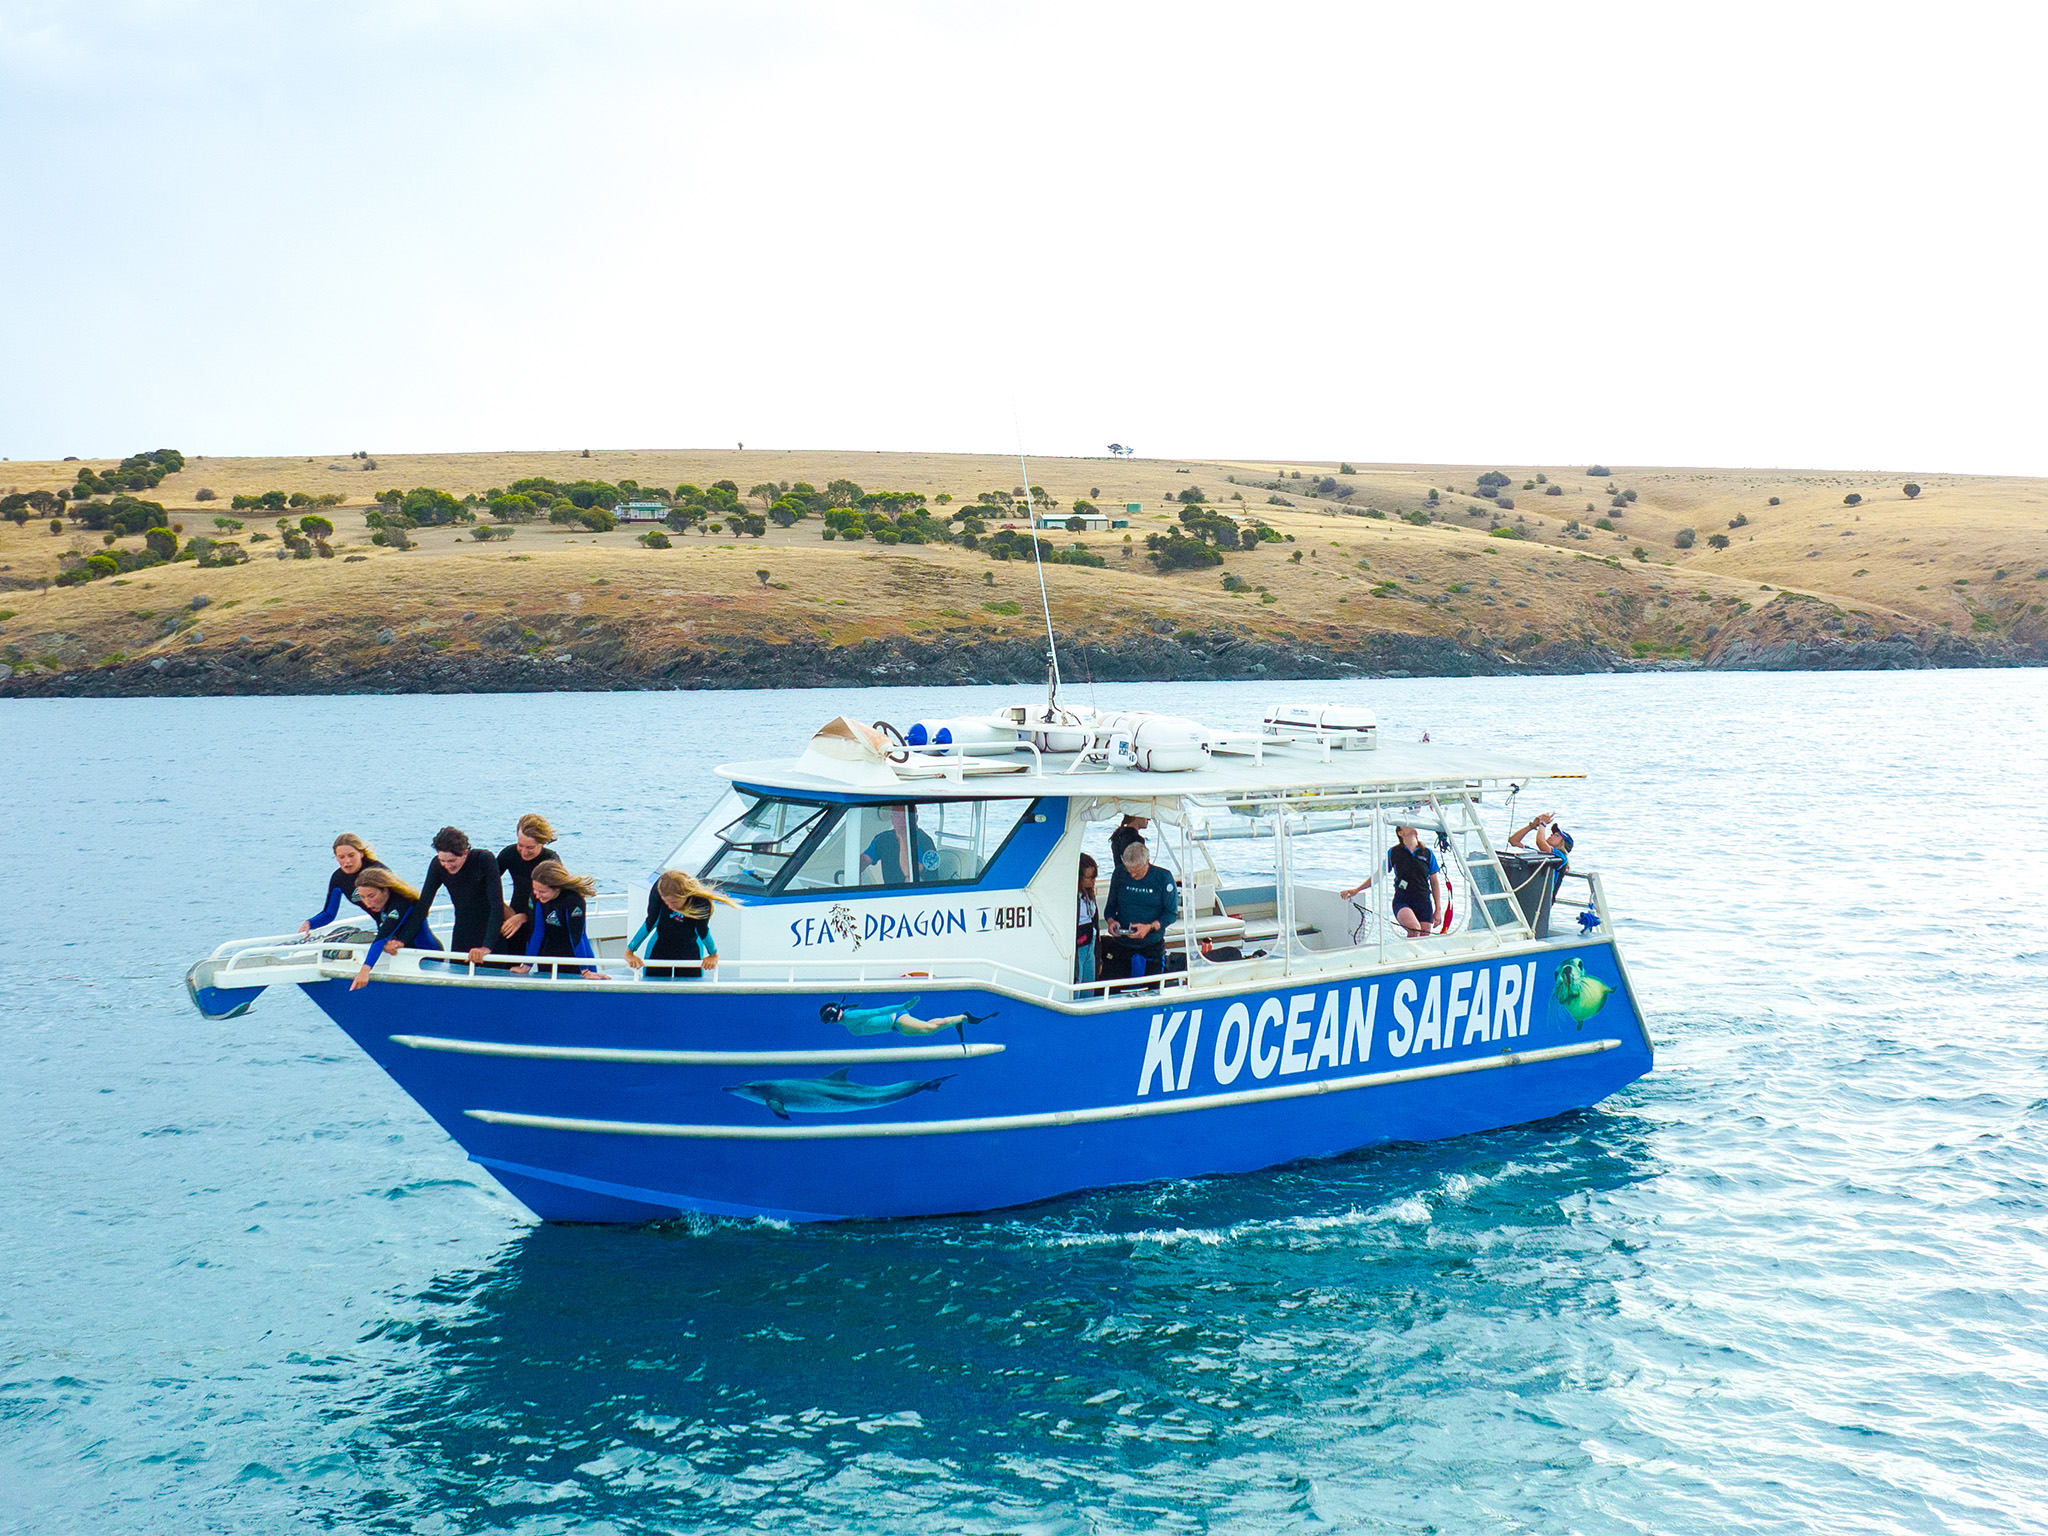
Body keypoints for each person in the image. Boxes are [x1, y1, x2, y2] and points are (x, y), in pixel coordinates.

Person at [397, 826, 504, 964]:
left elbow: (496, 905)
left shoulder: (483, 859)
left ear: (465, 853)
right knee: (458, 973)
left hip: (490, 930)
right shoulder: (437, 866)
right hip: (462, 929)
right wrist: (402, 940)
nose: (447, 866)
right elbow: (423, 906)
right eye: (443, 861)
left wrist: (487, 946)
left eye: (452, 861)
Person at [1341, 824, 1445, 937]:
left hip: (1423, 901)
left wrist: (1438, 909)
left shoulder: (1427, 853)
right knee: (1415, 929)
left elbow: (1435, 883)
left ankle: (1409, 954)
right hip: (1403, 899)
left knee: (1424, 937)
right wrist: (1357, 889)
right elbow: (1379, 875)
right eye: (1406, 825)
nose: (1412, 826)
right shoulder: (1394, 852)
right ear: (1401, 833)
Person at [348, 868, 440, 990]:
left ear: (385, 889)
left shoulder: (401, 903)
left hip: (429, 959)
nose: (367, 903)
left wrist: (365, 970)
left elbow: (383, 935)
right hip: (406, 959)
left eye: (371, 896)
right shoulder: (379, 903)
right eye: (362, 897)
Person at [626, 870, 728, 980]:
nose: (669, 906)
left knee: (689, 991)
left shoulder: (700, 902)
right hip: (660, 947)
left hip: (690, 949)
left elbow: (702, 931)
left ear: (686, 895)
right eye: (666, 902)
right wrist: (630, 951)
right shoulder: (659, 891)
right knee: (653, 988)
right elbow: (650, 922)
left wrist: (713, 954)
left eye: (675, 902)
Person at [514, 859, 604, 980]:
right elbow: (537, 931)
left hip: (574, 957)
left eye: (542, 891)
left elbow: (578, 936)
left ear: (557, 888)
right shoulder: (537, 898)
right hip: (548, 954)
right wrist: (526, 965)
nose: (537, 895)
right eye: (535, 889)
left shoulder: (573, 900)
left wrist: (586, 970)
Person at [1102, 839, 1179, 978]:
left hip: (1151, 946)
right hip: (1122, 945)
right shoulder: (1119, 873)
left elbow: (1171, 913)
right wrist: (1111, 921)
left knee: (1152, 990)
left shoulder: (1163, 878)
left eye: (1137, 872)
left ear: (1147, 862)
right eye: (1129, 871)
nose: (1132, 875)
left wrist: (1150, 927)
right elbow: (1111, 905)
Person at [494, 814, 559, 955]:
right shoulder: (509, 854)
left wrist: (524, 917)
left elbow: (556, 900)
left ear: (542, 843)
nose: (524, 852)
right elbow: (487, 885)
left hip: (543, 918)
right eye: (520, 845)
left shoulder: (550, 860)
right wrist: (504, 908)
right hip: (513, 915)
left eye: (530, 847)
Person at [301, 833, 388, 934]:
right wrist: (309, 923)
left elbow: (401, 900)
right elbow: (329, 914)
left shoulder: (377, 871)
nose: (347, 861)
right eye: (341, 857)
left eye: (351, 855)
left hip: (400, 920)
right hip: (384, 927)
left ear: (361, 853)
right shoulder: (338, 879)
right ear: (336, 858)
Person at [860, 805, 936, 886]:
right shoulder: (883, 839)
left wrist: (903, 837)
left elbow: (909, 872)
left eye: (906, 816)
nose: (901, 820)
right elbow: (865, 859)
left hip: (921, 891)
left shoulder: (924, 841)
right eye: (896, 816)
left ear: (915, 819)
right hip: (890, 892)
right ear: (892, 819)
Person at [1075, 853, 1100, 986]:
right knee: (1078, 983)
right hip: (1078, 945)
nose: (1093, 882)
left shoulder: (1089, 896)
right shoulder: (1074, 898)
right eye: (1089, 878)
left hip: (1090, 942)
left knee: (1089, 984)